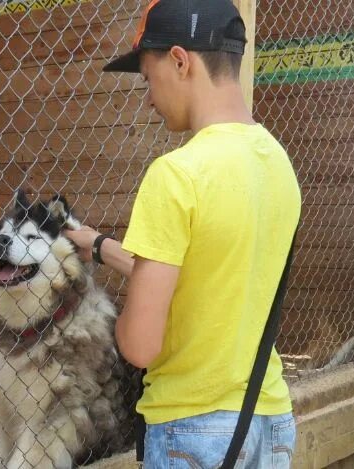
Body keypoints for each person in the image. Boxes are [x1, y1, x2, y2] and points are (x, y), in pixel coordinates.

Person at [64, 0, 302, 467]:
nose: (148, 98)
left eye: (148, 79)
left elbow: (139, 345)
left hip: (193, 429)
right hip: (268, 417)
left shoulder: (176, 174)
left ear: (179, 60)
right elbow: (207, 267)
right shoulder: (277, 162)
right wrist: (98, 245)